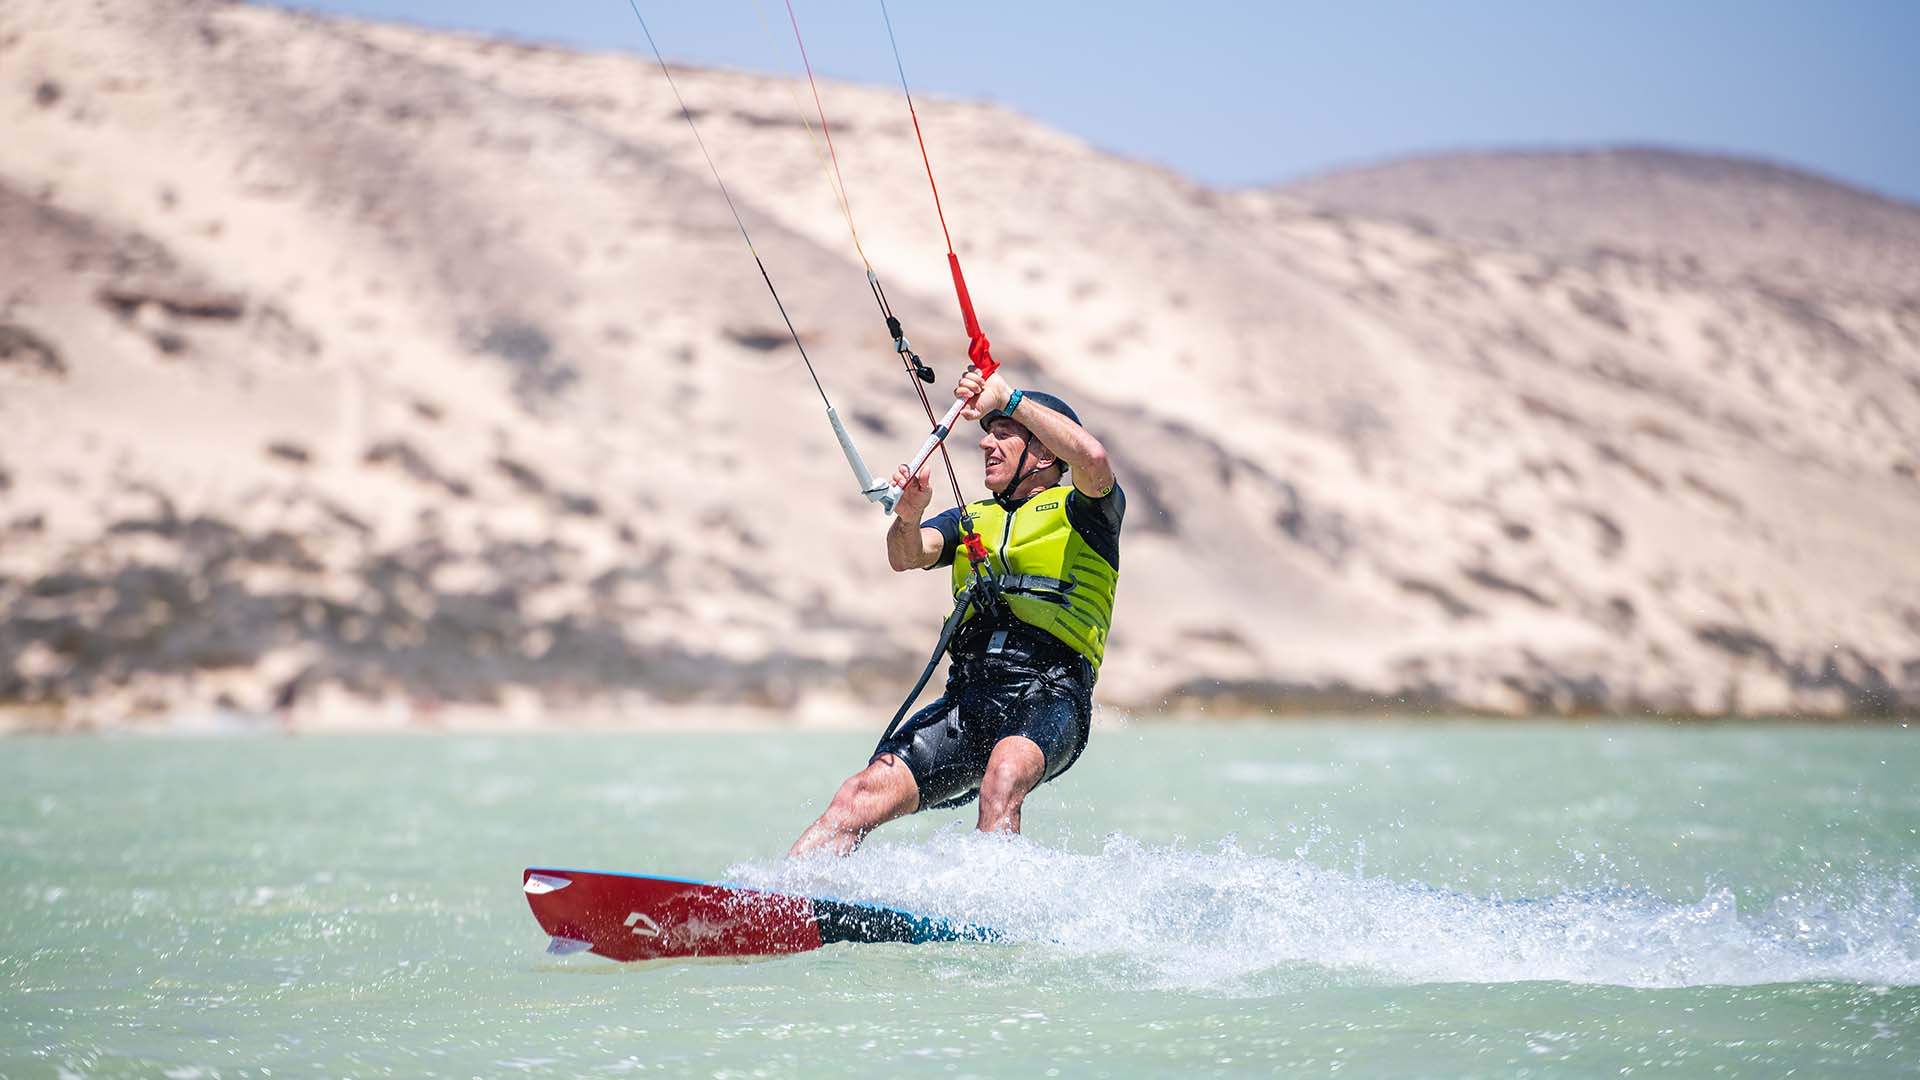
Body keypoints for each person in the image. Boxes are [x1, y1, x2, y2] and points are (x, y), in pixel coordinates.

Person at [789, 368, 1124, 856]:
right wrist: (908, 516)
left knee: (1003, 777)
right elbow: (907, 554)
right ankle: (779, 907)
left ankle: (992, 906)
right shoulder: (972, 519)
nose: (988, 446)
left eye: (1004, 436)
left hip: (1050, 693)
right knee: (857, 796)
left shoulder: (1088, 511)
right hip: (970, 699)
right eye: (987, 437)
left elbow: (1092, 457)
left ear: (1046, 453)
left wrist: (1009, 399)